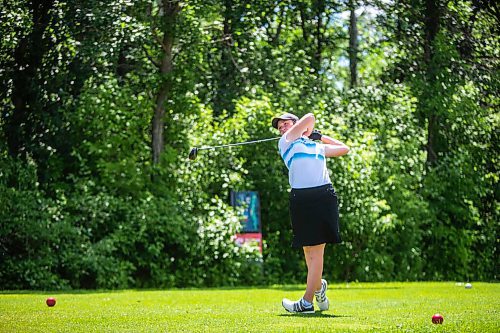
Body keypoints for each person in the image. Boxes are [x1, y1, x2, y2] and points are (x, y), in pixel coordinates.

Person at [271, 112, 349, 314]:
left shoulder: (316, 146)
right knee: (308, 251)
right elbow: (309, 118)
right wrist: (307, 130)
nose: (282, 128)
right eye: (280, 127)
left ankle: (306, 302)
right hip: (301, 198)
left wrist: (318, 136)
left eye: (286, 124)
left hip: (322, 195)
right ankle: (318, 288)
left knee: (316, 252)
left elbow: (344, 148)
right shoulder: (286, 141)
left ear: (295, 124)